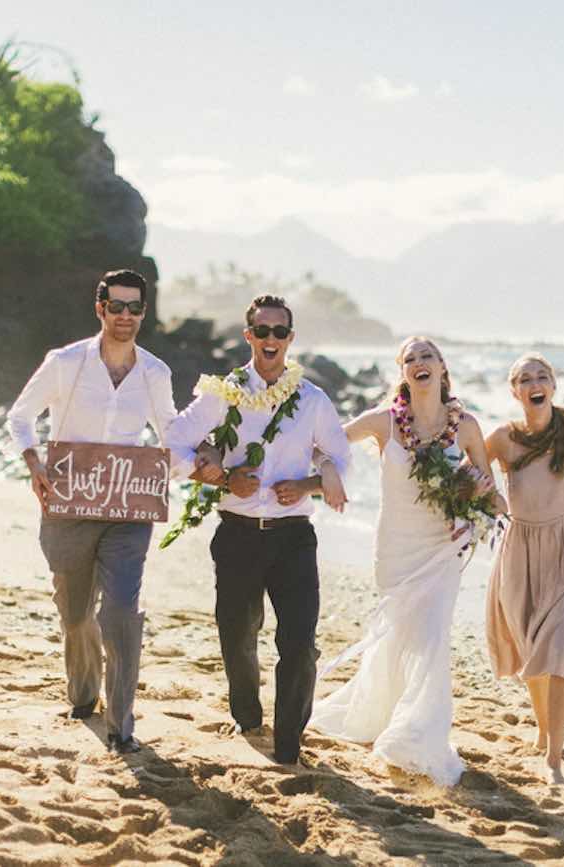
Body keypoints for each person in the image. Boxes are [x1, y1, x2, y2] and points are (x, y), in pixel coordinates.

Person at [309, 337, 504, 786]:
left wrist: (476, 498)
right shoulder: (383, 421)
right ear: (403, 372)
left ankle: (416, 737)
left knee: (432, 635)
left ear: (441, 367)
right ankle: (381, 713)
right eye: (410, 358)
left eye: (427, 356)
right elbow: (325, 441)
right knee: (399, 633)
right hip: (396, 545)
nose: (419, 363)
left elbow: (493, 498)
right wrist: (327, 469)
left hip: (442, 546)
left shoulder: (468, 426)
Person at [165, 294, 351, 766]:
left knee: (299, 642)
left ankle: (289, 742)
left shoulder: (312, 399)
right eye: (262, 331)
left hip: (293, 536)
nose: (271, 339)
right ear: (248, 336)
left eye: (280, 332)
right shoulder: (223, 393)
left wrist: (309, 483)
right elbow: (174, 445)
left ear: (290, 339)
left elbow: (340, 457)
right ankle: (248, 718)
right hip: (238, 533)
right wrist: (221, 477)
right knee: (237, 633)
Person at [6, 268, 177, 754]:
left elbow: (173, 437)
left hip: (128, 507)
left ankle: (122, 723)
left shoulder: (155, 373)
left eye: (135, 308)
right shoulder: (65, 363)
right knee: (77, 614)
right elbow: (20, 416)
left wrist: (199, 465)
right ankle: (83, 695)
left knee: (121, 610)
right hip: (67, 506)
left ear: (144, 313)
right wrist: (33, 461)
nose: (126, 316)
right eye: (116, 306)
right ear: (100, 307)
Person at [483, 354, 564, 784]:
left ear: (553, 385)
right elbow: (470, 474)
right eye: (525, 379)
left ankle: (554, 756)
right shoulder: (502, 438)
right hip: (520, 551)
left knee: (560, 650)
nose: (535, 384)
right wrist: (488, 497)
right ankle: (543, 728)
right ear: (515, 392)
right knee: (533, 650)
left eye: (542, 376)